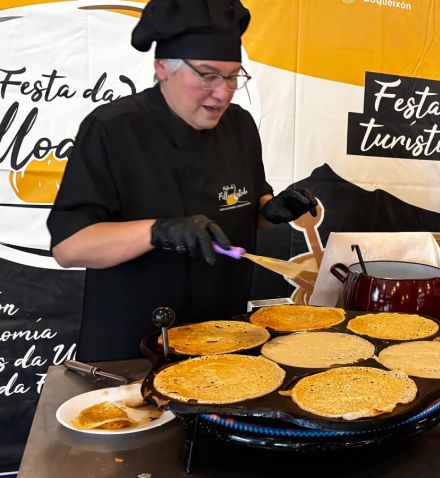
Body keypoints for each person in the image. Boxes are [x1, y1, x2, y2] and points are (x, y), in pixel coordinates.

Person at [47, 0, 317, 361]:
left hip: (223, 339)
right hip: (131, 348)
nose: (223, 92)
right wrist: (159, 231)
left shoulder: (239, 126)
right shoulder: (112, 129)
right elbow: (70, 247)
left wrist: (274, 211)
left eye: (233, 76)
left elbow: (246, 211)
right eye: (207, 75)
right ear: (162, 67)